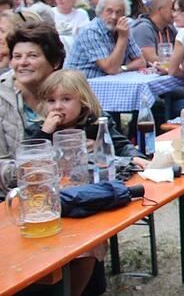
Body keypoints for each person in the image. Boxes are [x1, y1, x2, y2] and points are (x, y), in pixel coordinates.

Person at [26, 68, 146, 296]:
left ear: (83, 101)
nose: (57, 107)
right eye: (51, 100)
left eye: (66, 99)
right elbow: (30, 161)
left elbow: (120, 144)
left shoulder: (96, 124)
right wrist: (46, 132)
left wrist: (134, 156)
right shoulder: (38, 129)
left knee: (90, 244)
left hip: (89, 196)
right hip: (54, 201)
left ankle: (77, 290)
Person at [0, 22, 67, 193]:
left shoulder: (69, 89)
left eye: (32, 56)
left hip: (69, 188)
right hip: (13, 197)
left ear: (55, 61)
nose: (22, 63)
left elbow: (105, 136)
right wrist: (39, 168)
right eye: (17, 56)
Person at [64, 0, 146, 78]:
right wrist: (122, 38)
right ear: (100, 11)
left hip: (106, 82)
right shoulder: (91, 31)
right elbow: (111, 69)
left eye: (118, 12)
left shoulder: (122, 29)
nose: (114, 17)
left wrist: (123, 68)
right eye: (109, 11)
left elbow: (141, 62)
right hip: (80, 84)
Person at [130, 0, 177, 65]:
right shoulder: (143, 28)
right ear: (160, 10)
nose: (175, 13)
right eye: (172, 9)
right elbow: (150, 59)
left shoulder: (170, 28)